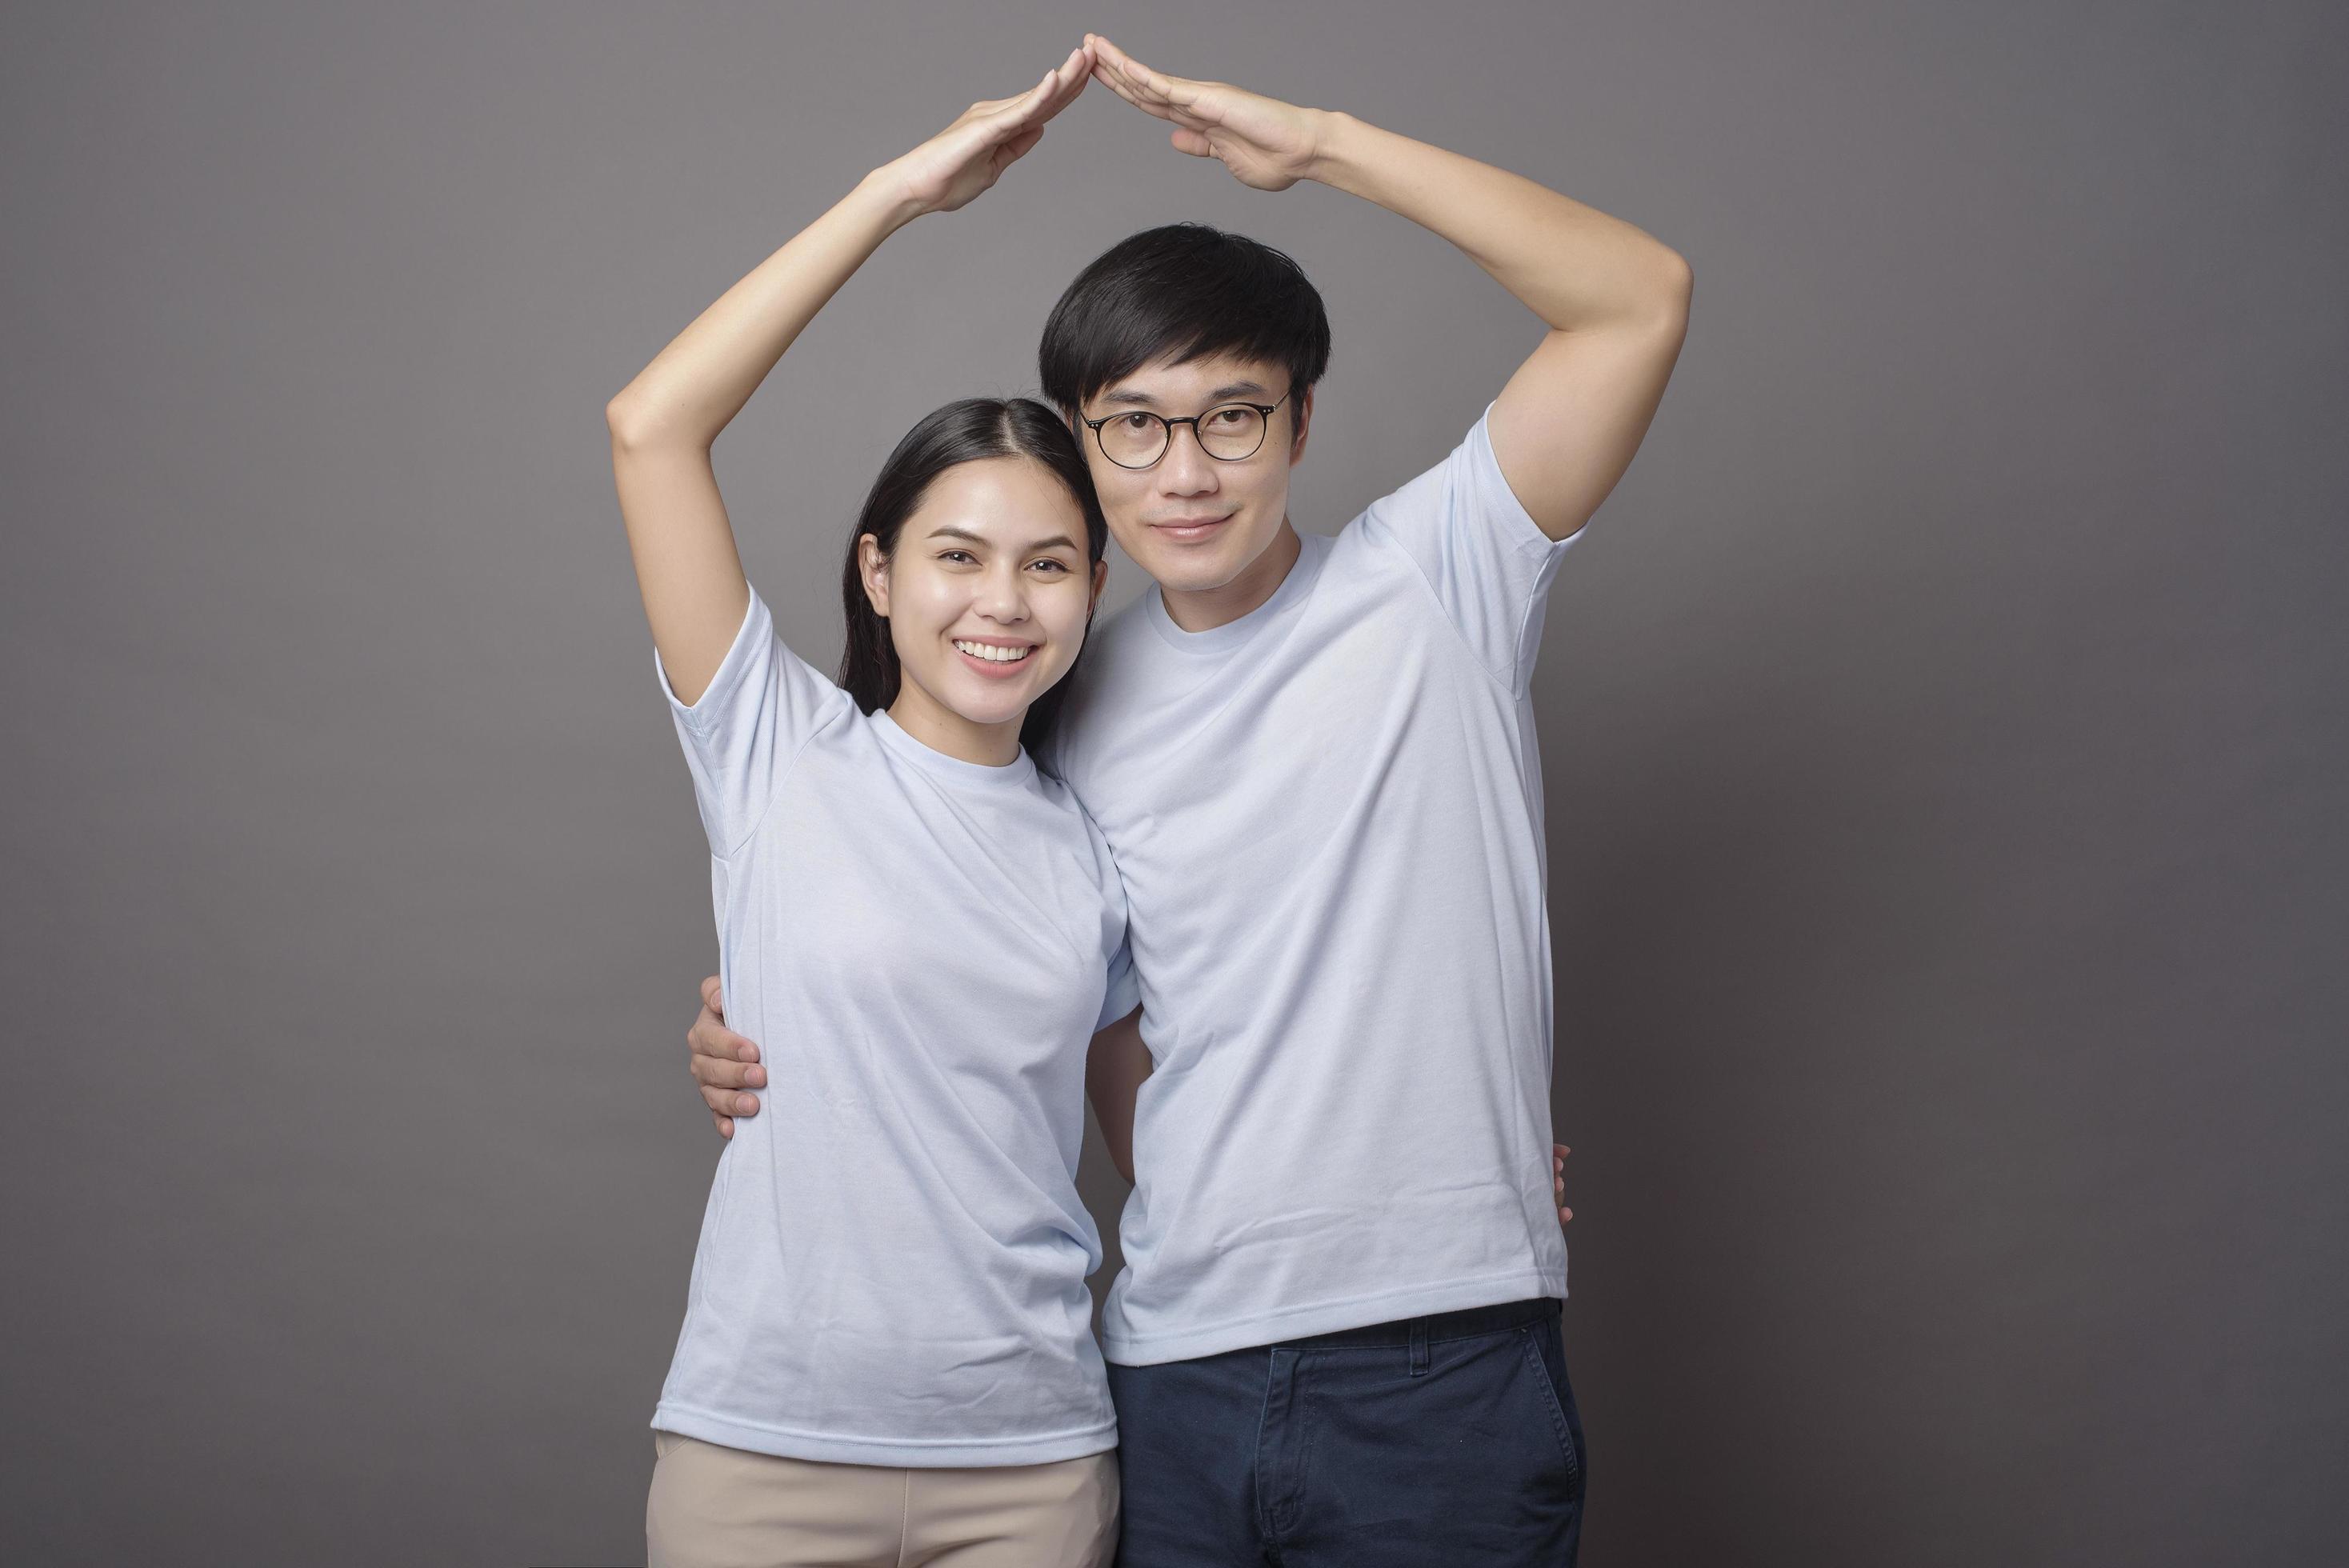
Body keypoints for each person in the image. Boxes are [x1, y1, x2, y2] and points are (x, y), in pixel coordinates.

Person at [685, 34, 1691, 1566]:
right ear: (1088, 459)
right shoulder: (1063, 694)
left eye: (1231, 416)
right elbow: (1046, 986)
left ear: (1297, 424)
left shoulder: (1440, 579)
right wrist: (763, 1026)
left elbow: (1638, 297)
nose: (1187, 470)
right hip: (1167, 1371)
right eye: (1133, 427)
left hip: (1441, 1363)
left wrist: (1325, 144)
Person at [606, 44, 1142, 1566]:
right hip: (761, 1450)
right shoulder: (779, 750)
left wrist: (1458, 1163)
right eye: (958, 554)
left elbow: (1180, 1121)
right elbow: (653, 427)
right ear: (877, 571)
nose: (1004, 602)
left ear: (1093, 589)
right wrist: (900, 195)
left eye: (1049, 563)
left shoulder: (1100, 842)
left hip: (1034, 1461)